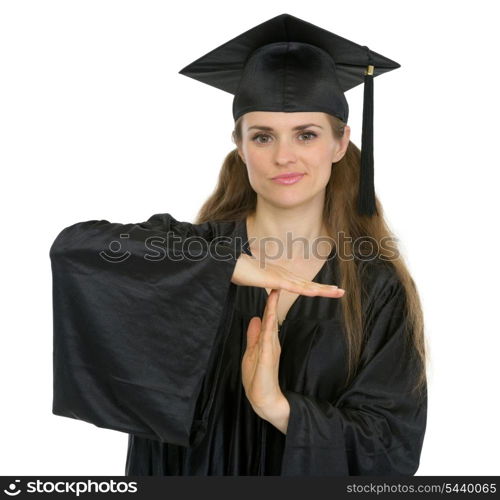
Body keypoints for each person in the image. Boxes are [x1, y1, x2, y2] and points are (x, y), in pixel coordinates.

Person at [49, 13, 427, 475]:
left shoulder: (374, 284)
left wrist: (278, 407)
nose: (283, 156)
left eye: (306, 134)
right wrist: (220, 263)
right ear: (240, 145)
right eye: (262, 136)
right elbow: (75, 249)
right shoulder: (190, 252)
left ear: (340, 142)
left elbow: (391, 447)